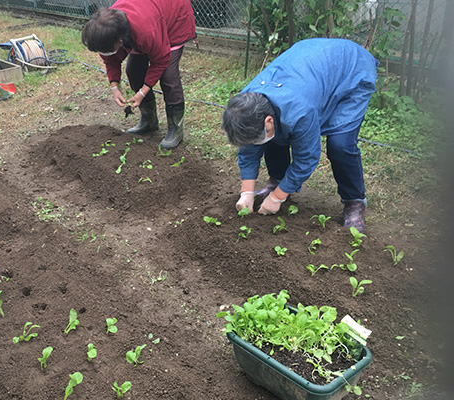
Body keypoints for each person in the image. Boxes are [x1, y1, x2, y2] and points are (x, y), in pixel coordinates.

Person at [222, 38, 378, 232]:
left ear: (268, 120)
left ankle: (354, 201)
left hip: (351, 71)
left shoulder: (300, 112)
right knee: (272, 136)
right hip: (311, 66)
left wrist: (277, 198)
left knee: (340, 144)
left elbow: (306, 159)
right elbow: (249, 148)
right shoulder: (244, 104)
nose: (253, 143)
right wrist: (247, 192)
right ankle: (278, 181)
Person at [81, 0, 196, 149]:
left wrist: (142, 92)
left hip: (173, 17)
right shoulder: (106, 31)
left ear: (120, 41)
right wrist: (114, 88)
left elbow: (160, 61)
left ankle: (175, 129)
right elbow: (110, 60)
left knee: (168, 77)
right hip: (148, 15)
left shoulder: (145, 31)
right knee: (133, 70)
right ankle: (149, 120)